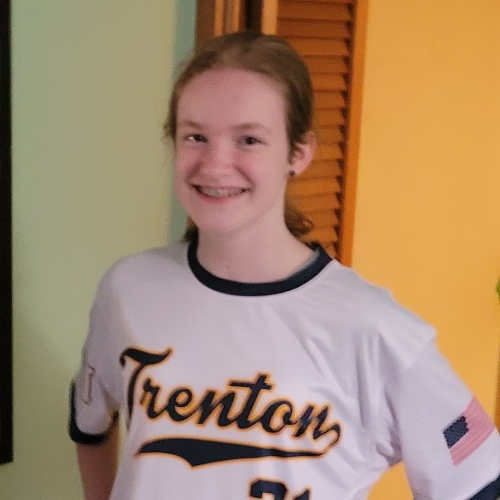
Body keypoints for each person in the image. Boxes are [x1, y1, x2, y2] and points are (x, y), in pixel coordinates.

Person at [69, 31, 500, 500]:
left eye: (249, 140)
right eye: (195, 137)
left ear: (298, 153)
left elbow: (477, 480)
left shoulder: (376, 330)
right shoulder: (127, 290)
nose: (214, 165)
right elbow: (90, 425)